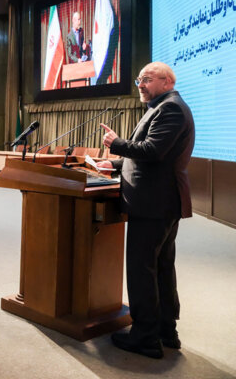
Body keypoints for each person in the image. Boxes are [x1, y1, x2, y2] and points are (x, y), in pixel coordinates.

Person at [97, 61, 194, 359]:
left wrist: (117, 144)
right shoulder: (161, 106)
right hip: (158, 202)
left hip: (155, 203)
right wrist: (113, 165)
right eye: (139, 78)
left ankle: (145, 337)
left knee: (143, 270)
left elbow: (153, 150)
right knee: (160, 268)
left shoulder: (171, 108)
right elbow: (150, 156)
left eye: (147, 79)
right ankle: (165, 331)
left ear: (167, 82)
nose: (140, 84)